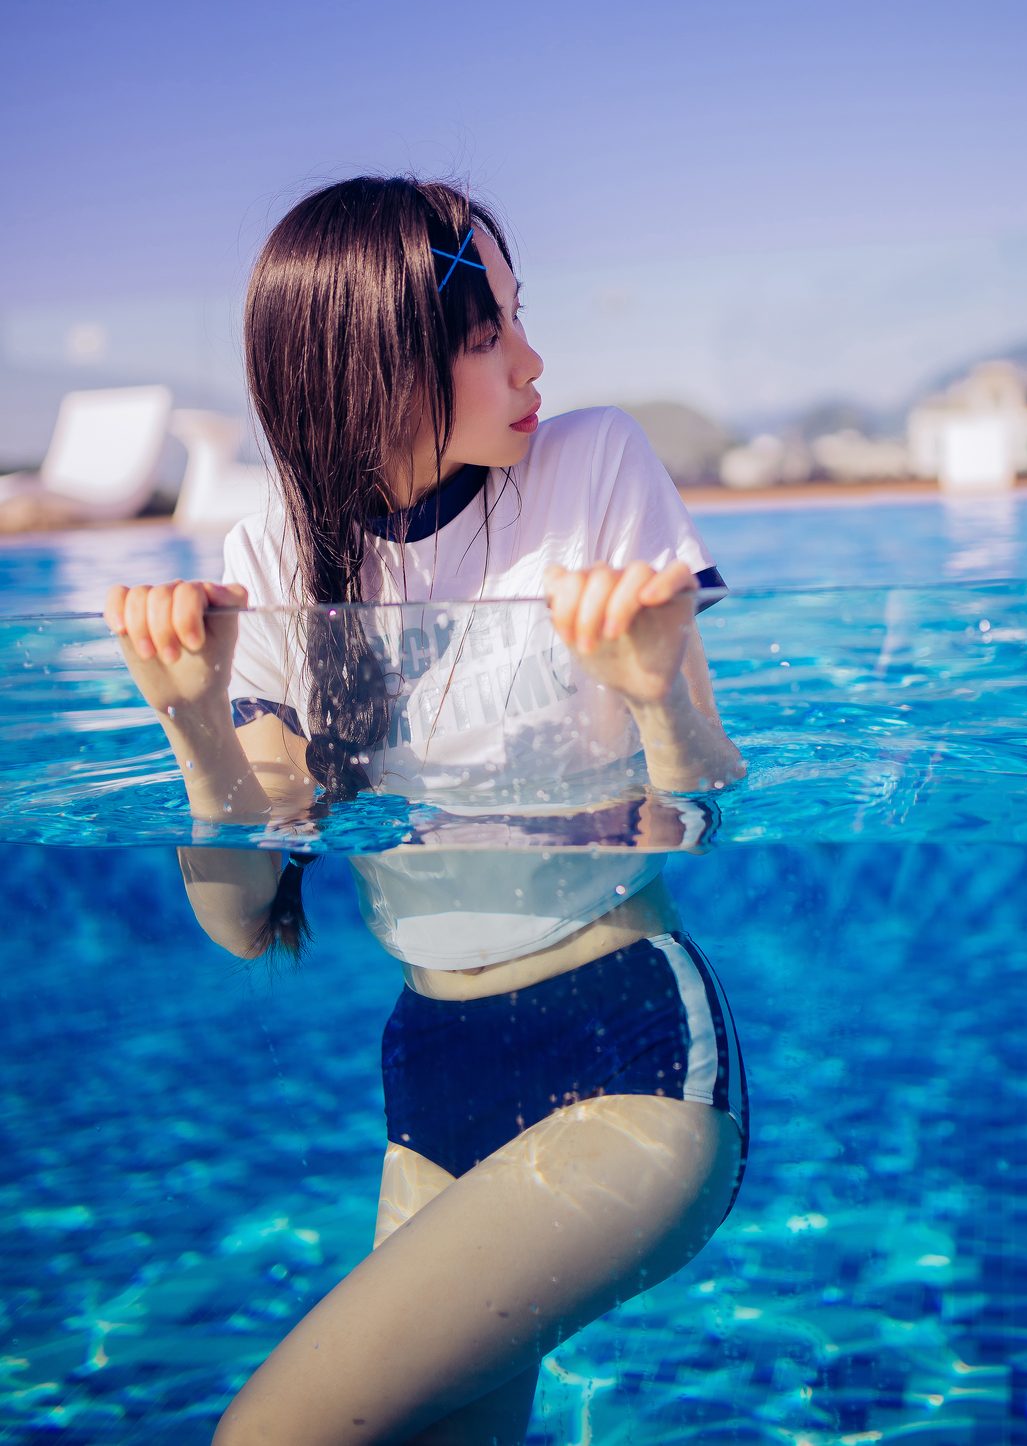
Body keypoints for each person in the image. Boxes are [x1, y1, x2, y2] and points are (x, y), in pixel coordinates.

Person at [104, 175, 749, 1446]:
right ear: (372, 363)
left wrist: (658, 694)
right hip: (429, 1072)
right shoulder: (275, 554)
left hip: (624, 1049)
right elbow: (242, 925)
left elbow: (700, 809)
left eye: (518, 316)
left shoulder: (595, 464)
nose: (531, 359)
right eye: (485, 333)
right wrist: (193, 721)